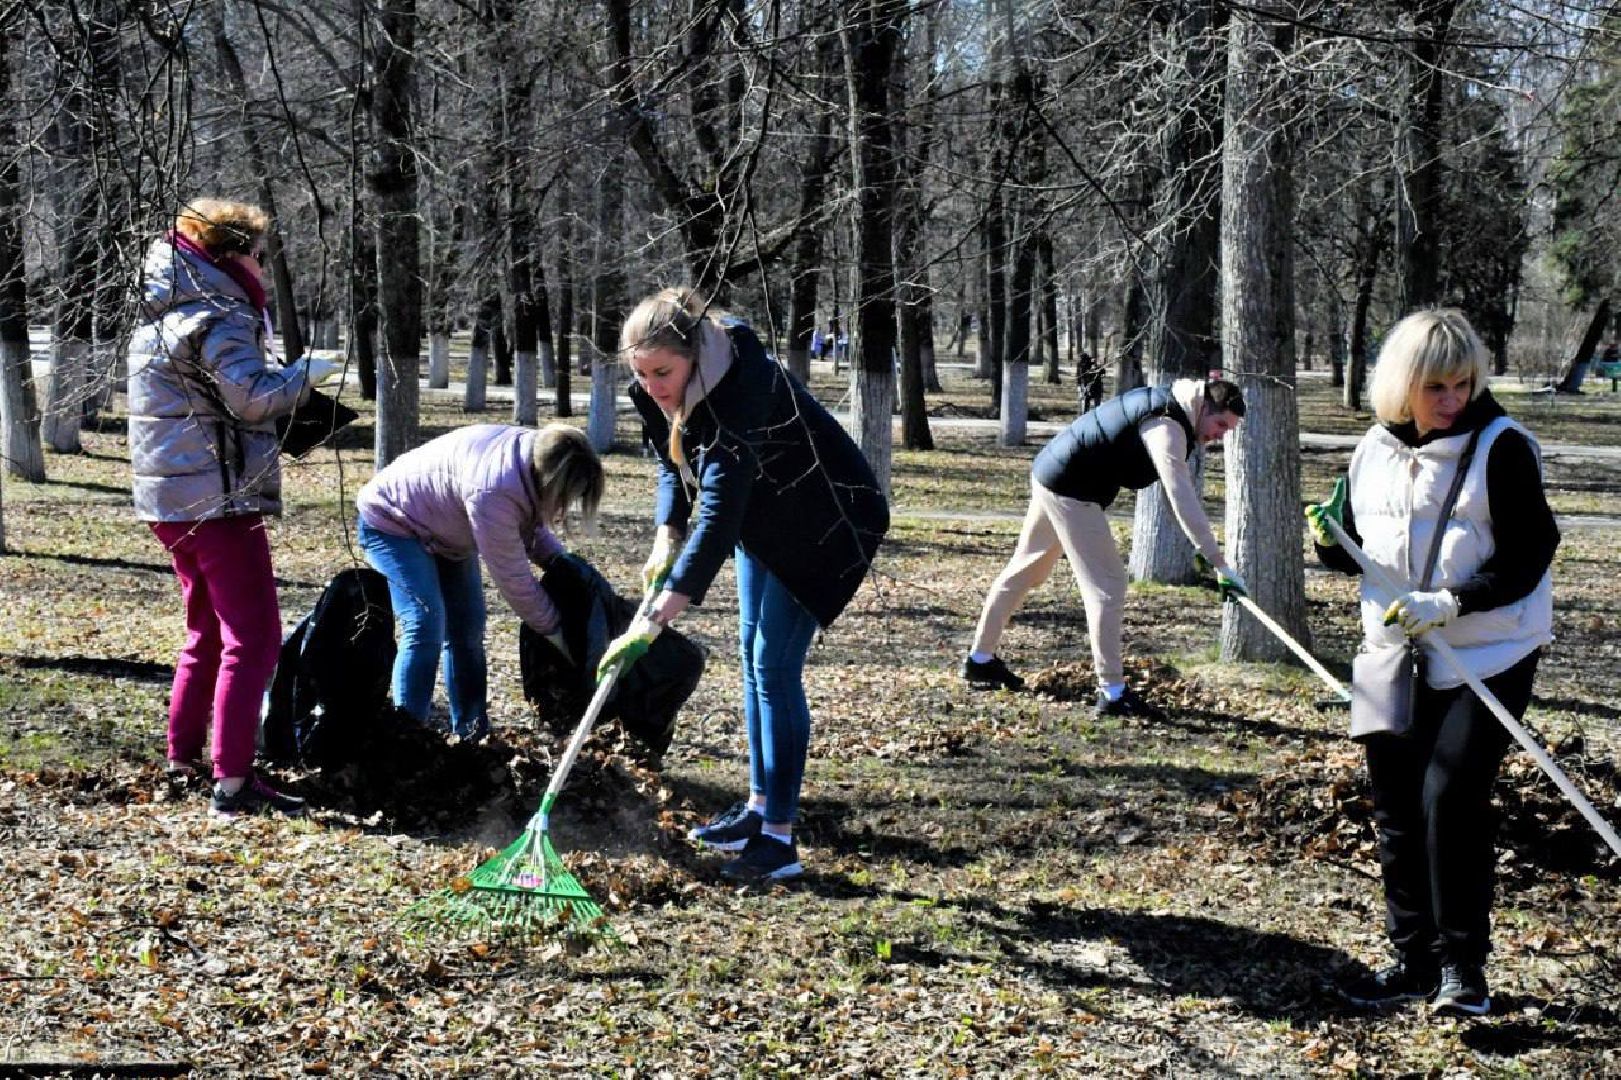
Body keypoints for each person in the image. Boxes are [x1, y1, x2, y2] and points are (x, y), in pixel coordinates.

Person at [1308, 309, 1558, 1017]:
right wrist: (1328, 539)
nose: (1451, 400)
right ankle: (1409, 960)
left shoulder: (1502, 448)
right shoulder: (1369, 450)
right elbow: (1354, 547)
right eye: (1434, 387)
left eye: (1462, 384)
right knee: (1393, 806)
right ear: (1400, 385)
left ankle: (1462, 971)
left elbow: (1529, 553)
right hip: (1390, 651)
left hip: (1490, 649)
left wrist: (1450, 601)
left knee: (1448, 797)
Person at [600, 287, 889, 883]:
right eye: (642, 372)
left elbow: (720, 510)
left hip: (824, 520)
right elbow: (668, 457)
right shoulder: (662, 385)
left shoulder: (743, 387)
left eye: (663, 372)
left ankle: (778, 843)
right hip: (768, 518)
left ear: (693, 358)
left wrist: (655, 621)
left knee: (774, 666)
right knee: (755, 661)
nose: (653, 385)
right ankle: (759, 810)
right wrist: (664, 533)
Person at [128, 198, 339, 817]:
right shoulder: (220, 315)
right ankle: (234, 782)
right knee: (255, 638)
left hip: (169, 501)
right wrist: (306, 375)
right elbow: (250, 399)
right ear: (230, 255)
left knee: (207, 632)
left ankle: (183, 757)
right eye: (257, 255)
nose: (263, 269)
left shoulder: (164, 314)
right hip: (217, 500)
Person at [962, 377, 1247, 715]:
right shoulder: (1166, 425)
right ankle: (1112, 692)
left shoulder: (1171, 406)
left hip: (1052, 470)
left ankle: (980, 660)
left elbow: (1175, 497)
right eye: (1220, 425)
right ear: (1204, 408)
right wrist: (1219, 562)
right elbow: (1180, 495)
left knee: (1028, 570)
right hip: (1071, 489)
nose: (1219, 435)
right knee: (1108, 586)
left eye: (1227, 431)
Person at [356, 423, 604, 743]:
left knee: (467, 629)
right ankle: (407, 736)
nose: (564, 507)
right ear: (555, 479)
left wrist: (563, 563)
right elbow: (515, 581)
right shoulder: (493, 489)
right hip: (392, 523)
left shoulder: (532, 458)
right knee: (425, 623)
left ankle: (472, 735)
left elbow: (529, 526)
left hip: (445, 529)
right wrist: (560, 635)